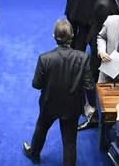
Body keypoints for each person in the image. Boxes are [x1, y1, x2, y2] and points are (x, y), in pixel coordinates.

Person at [23, 19, 95, 166]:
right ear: (73, 36)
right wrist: (91, 105)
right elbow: (89, 85)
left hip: (49, 103)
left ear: (53, 36)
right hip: (73, 105)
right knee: (70, 143)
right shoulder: (83, 57)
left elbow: (36, 85)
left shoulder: (45, 58)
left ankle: (34, 154)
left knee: (41, 128)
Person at [78, 0, 119, 131]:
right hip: (101, 42)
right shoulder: (103, 5)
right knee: (94, 73)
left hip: (109, 39)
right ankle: (92, 107)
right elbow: (103, 33)